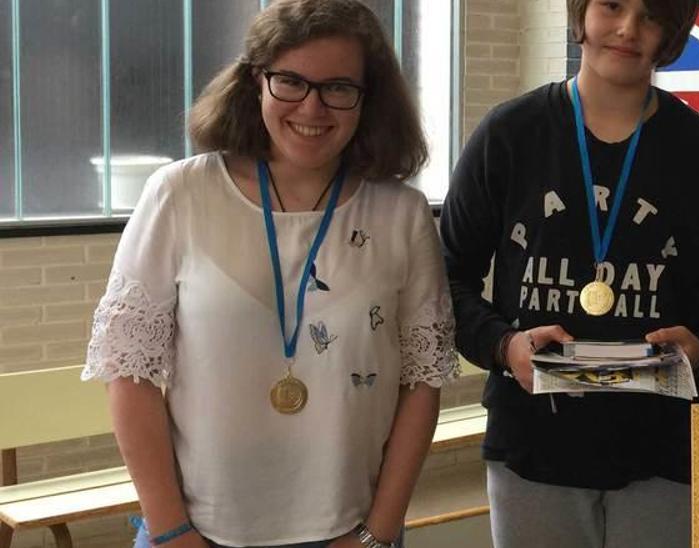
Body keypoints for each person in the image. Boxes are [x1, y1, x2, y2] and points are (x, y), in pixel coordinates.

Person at [82, 1, 458, 546]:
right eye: (290, 82)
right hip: (200, 530)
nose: (312, 106)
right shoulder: (181, 195)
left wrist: (376, 534)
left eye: (338, 88)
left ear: (366, 100)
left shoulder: (401, 214)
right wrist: (171, 530)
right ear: (255, 81)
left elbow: (421, 384)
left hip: (349, 531)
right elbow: (129, 374)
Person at [439, 0, 699, 546]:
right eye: (612, 5)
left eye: (652, 14)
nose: (628, 29)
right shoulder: (508, 135)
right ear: (581, 12)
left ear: (674, 30)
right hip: (533, 443)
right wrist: (504, 345)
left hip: (665, 448)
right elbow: (446, 281)